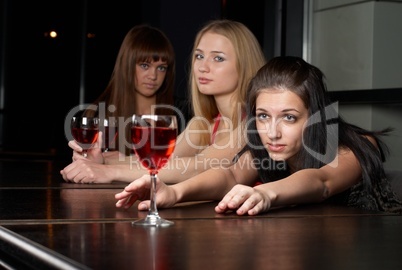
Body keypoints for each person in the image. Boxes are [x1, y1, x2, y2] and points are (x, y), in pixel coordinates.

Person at [115, 56, 402, 214]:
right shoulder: (264, 146)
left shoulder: (358, 145)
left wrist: (264, 193)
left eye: (289, 117)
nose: (272, 132)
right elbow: (229, 176)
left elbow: (321, 182)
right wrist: (174, 192)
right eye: (264, 116)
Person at [61, 19, 266, 184]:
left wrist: (108, 172)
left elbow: (196, 167)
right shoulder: (205, 123)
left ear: (244, 65)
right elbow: (161, 160)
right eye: (199, 56)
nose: (203, 67)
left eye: (218, 58)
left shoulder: (254, 122)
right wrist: (101, 161)